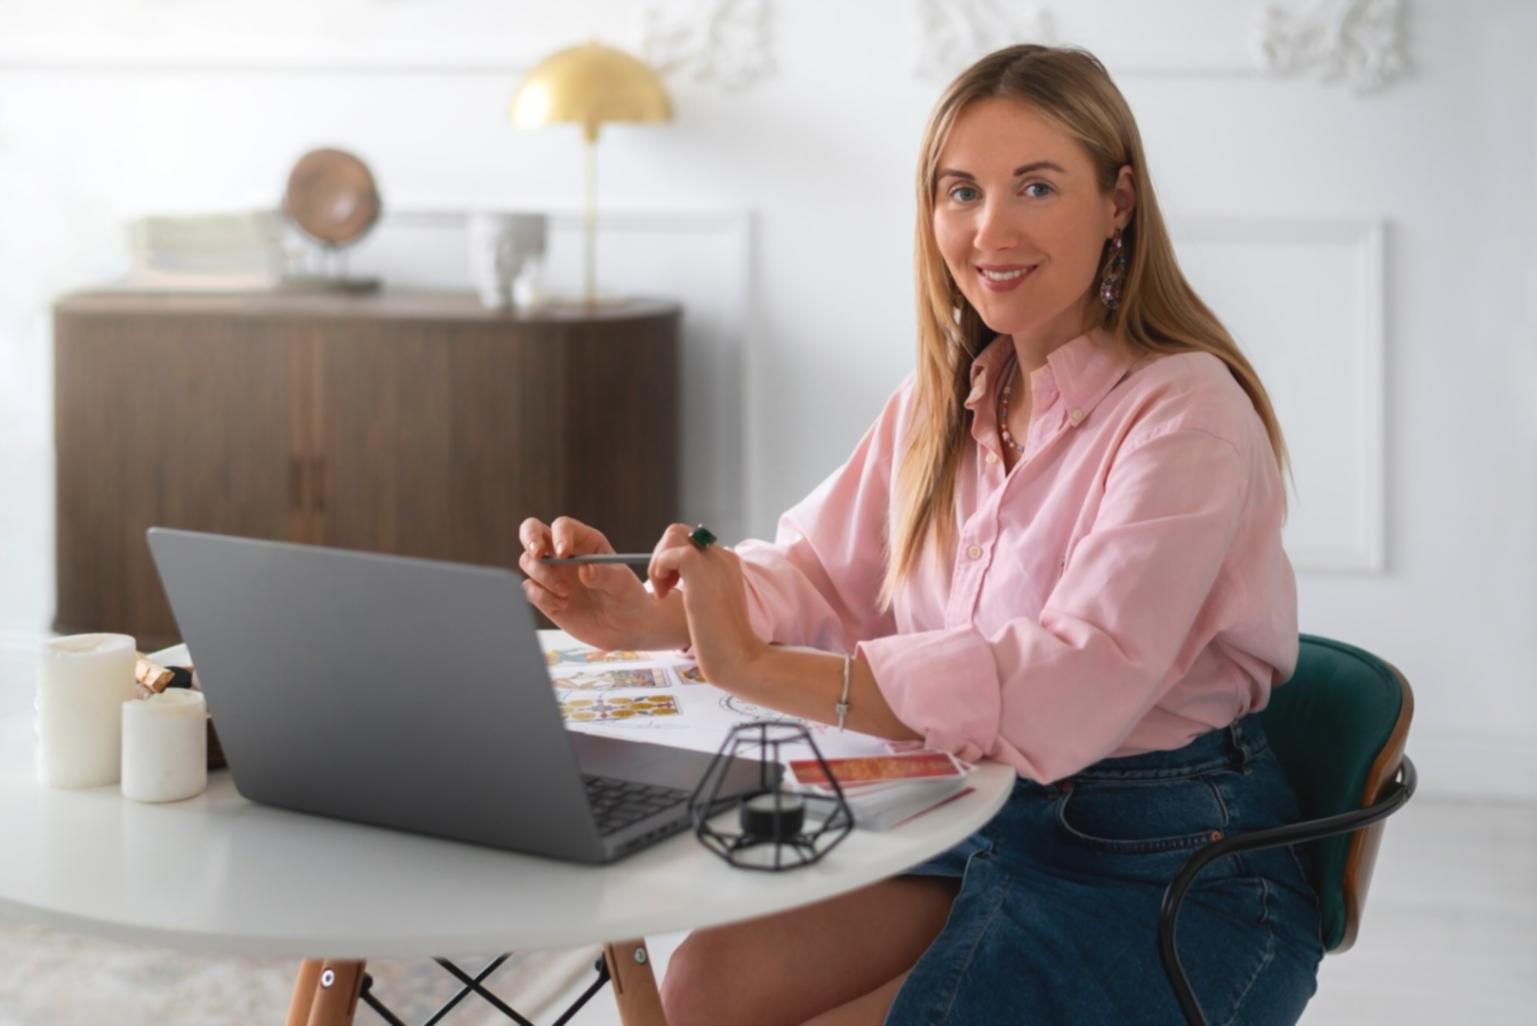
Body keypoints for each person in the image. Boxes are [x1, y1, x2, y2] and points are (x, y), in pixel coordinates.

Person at [519, 42, 1323, 1026]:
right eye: (960, 191)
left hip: (1164, 858)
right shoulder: (944, 401)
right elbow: (819, 573)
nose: (990, 229)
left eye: (1035, 187)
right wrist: (660, 616)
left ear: (1117, 203)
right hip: (967, 809)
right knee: (704, 989)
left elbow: (1076, 678)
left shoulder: (1185, 411)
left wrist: (758, 670)